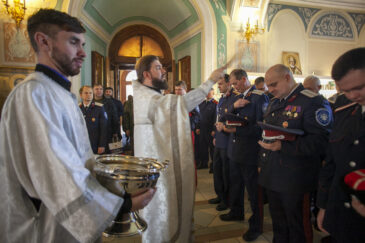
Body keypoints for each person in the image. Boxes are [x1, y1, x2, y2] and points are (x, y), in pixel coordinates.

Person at [0, 9, 155, 243]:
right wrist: (124, 204)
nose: (83, 52)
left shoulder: (60, 93)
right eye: (74, 42)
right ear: (43, 41)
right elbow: (56, 172)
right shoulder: (34, 94)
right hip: (42, 226)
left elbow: (79, 159)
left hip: (62, 221)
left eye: (83, 43)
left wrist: (116, 186)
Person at [133, 55, 227, 242]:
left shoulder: (149, 94)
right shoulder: (148, 98)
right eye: (158, 67)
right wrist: (210, 81)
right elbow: (181, 104)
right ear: (146, 74)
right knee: (163, 213)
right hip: (157, 168)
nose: (163, 70)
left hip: (156, 165)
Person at [258, 64, 332, 243]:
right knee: (279, 224)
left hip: (296, 179)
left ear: (287, 78)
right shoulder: (276, 101)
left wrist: (283, 147)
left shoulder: (313, 102)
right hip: (273, 174)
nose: (271, 89)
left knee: (297, 226)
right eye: (268, 86)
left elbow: (321, 143)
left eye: (274, 84)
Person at [316, 47, 365, 243]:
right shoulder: (344, 109)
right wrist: (324, 206)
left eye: (360, 87)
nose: (352, 95)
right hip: (342, 214)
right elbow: (332, 163)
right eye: (345, 90)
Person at [220, 69, 269, 242]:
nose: (233, 87)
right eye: (232, 84)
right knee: (236, 184)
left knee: (253, 192)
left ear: (244, 79)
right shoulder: (236, 96)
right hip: (236, 150)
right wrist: (233, 106)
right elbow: (224, 114)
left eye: (235, 83)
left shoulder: (258, 97)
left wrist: (238, 129)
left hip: (249, 151)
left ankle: (256, 225)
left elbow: (261, 127)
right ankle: (236, 211)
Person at [208, 74, 234, 211]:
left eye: (221, 84)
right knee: (217, 170)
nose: (219, 86)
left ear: (229, 83)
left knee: (225, 172)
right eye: (218, 84)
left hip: (227, 141)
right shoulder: (222, 99)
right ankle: (220, 195)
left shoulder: (234, 98)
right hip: (219, 140)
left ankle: (227, 199)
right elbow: (218, 118)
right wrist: (215, 135)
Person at [79, 85, 108, 154]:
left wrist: (102, 145)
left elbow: (103, 128)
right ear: (81, 95)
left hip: (94, 144)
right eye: (86, 93)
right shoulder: (77, 108)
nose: (88, 95)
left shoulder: (99, 108)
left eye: (90, 93)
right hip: (81, 143)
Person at [197, 88, 217, 169]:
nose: (208, 94)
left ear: (213, 93)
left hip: (210, 130)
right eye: (206, 92)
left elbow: (216, 118)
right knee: (202, 148)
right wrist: (198, 127)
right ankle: (204, 163)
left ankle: (213, 165)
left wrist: (214, 129)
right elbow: (199, 116)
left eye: (210, 92)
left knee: (212, 148)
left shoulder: (215, 104)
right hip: (202, 129)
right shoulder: (201, 103)